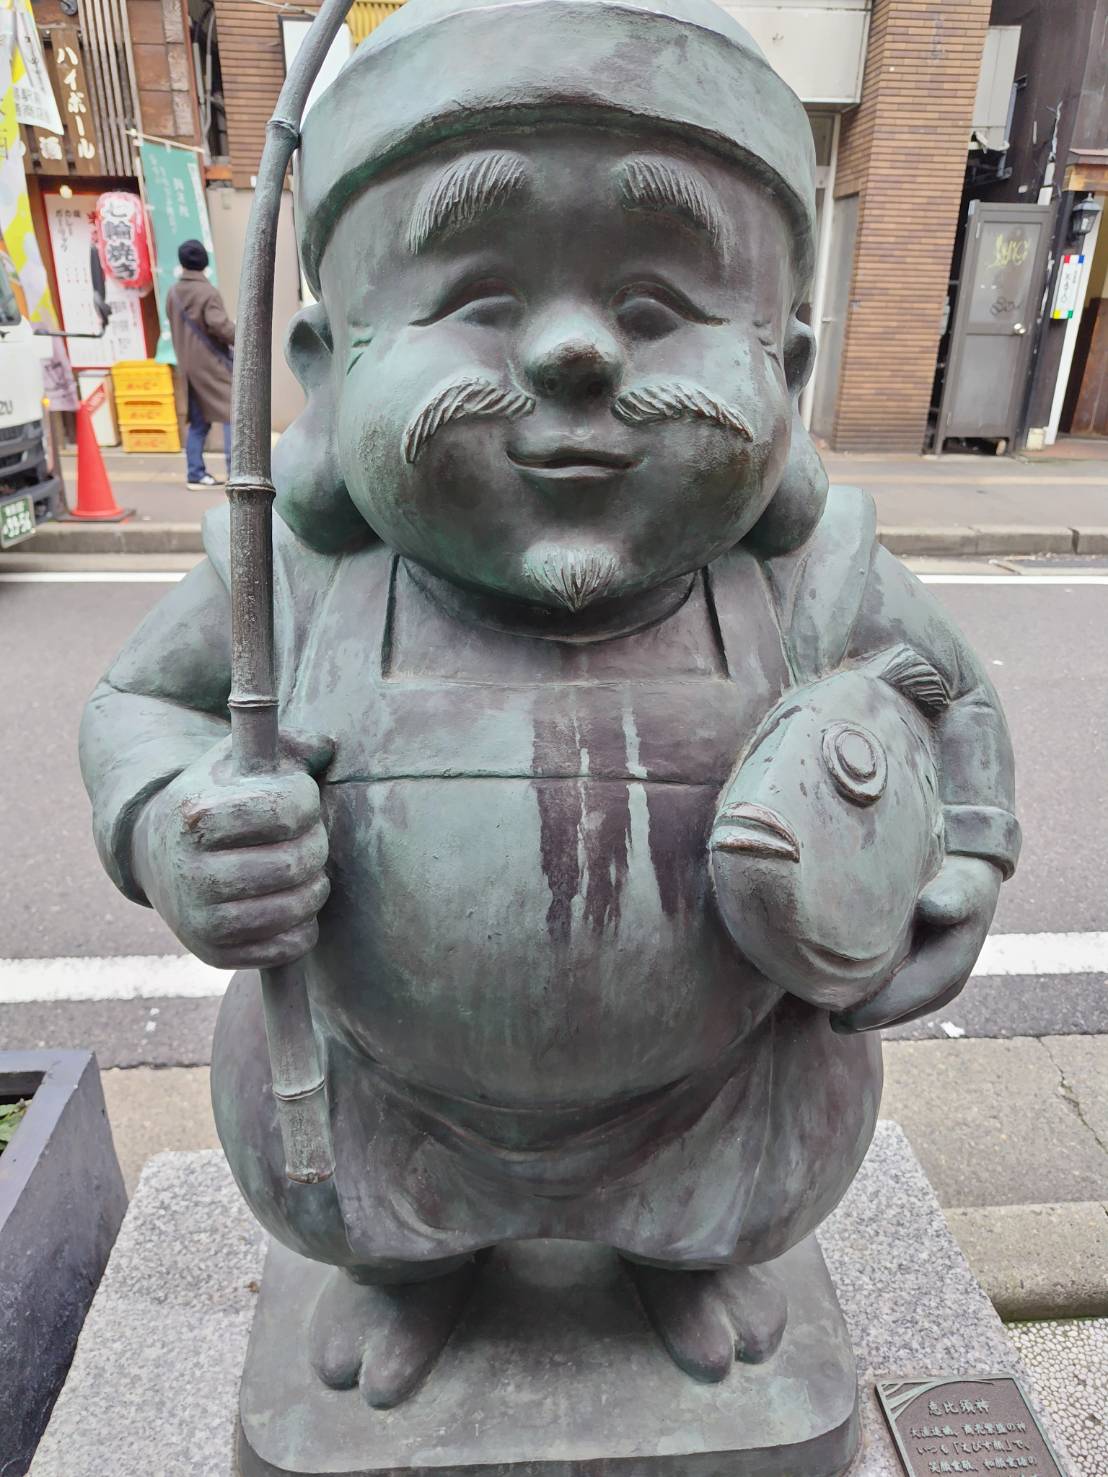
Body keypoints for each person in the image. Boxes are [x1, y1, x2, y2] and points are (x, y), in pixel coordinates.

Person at [80, 0, 1019, 1422]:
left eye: (657, 309)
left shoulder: (812, 575)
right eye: (480, 299)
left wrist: (962, 861)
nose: (577, 352)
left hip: (717, 1090)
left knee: (774, 1164)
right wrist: (174, 825)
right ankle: (417, 1271)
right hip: (387, 1094)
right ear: (328, 364)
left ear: (787, 371)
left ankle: (676, 1252)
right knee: (322, 1176)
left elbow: (948, 702)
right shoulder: (291, 578)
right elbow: (138, 703)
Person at [165, 239, 234, 489]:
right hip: (211, 365)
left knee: (198, 421)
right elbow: (219, 326)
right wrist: (243, 333)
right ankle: (237, 472)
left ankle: (195, 473)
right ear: (204, 262)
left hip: (188, 368)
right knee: (233, 413)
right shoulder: (207, 293)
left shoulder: (173, 293)